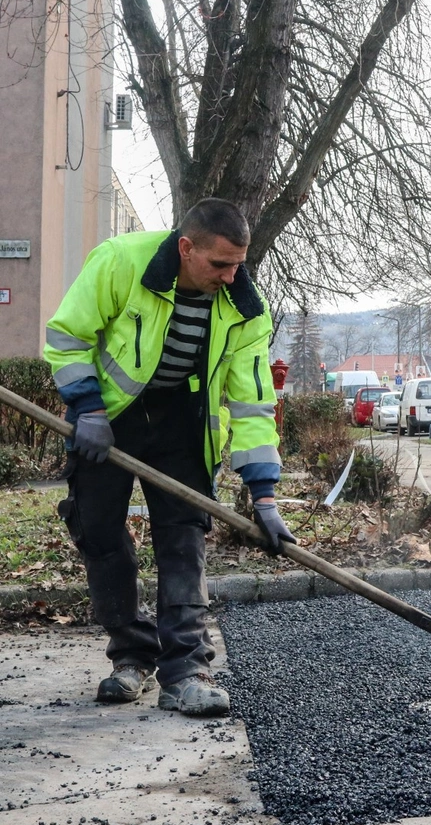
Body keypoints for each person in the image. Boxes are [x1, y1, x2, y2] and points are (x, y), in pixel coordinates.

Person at [43, 198, 296, 717]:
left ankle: (187, 671)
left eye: (238, 265)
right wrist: (87, 408)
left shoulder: (246, 309)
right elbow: (67, 337)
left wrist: (264, 495)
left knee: (183, 540)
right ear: (186, 247)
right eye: (219, 264)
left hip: (184, 424)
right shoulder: (120, 261)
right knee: (98, 532)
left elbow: (250, 403)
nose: (230, 277)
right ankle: (131, 657)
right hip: (109, 418)